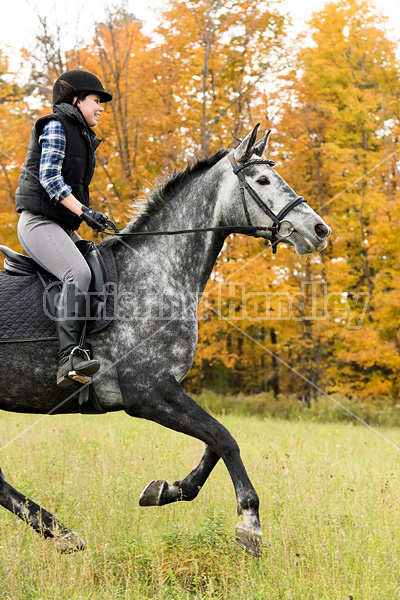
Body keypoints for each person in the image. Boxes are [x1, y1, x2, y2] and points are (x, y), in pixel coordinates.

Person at [15, 70, 113, 388]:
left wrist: (93, 217)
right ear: (76, 100)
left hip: (61, 226)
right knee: (79, 275)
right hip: (38, 222)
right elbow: (50, 179)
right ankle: (68, 358)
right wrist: (86, 212)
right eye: (96, 101)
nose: (100, 108)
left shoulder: (82, 136)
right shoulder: (56, 125)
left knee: (100, 266)